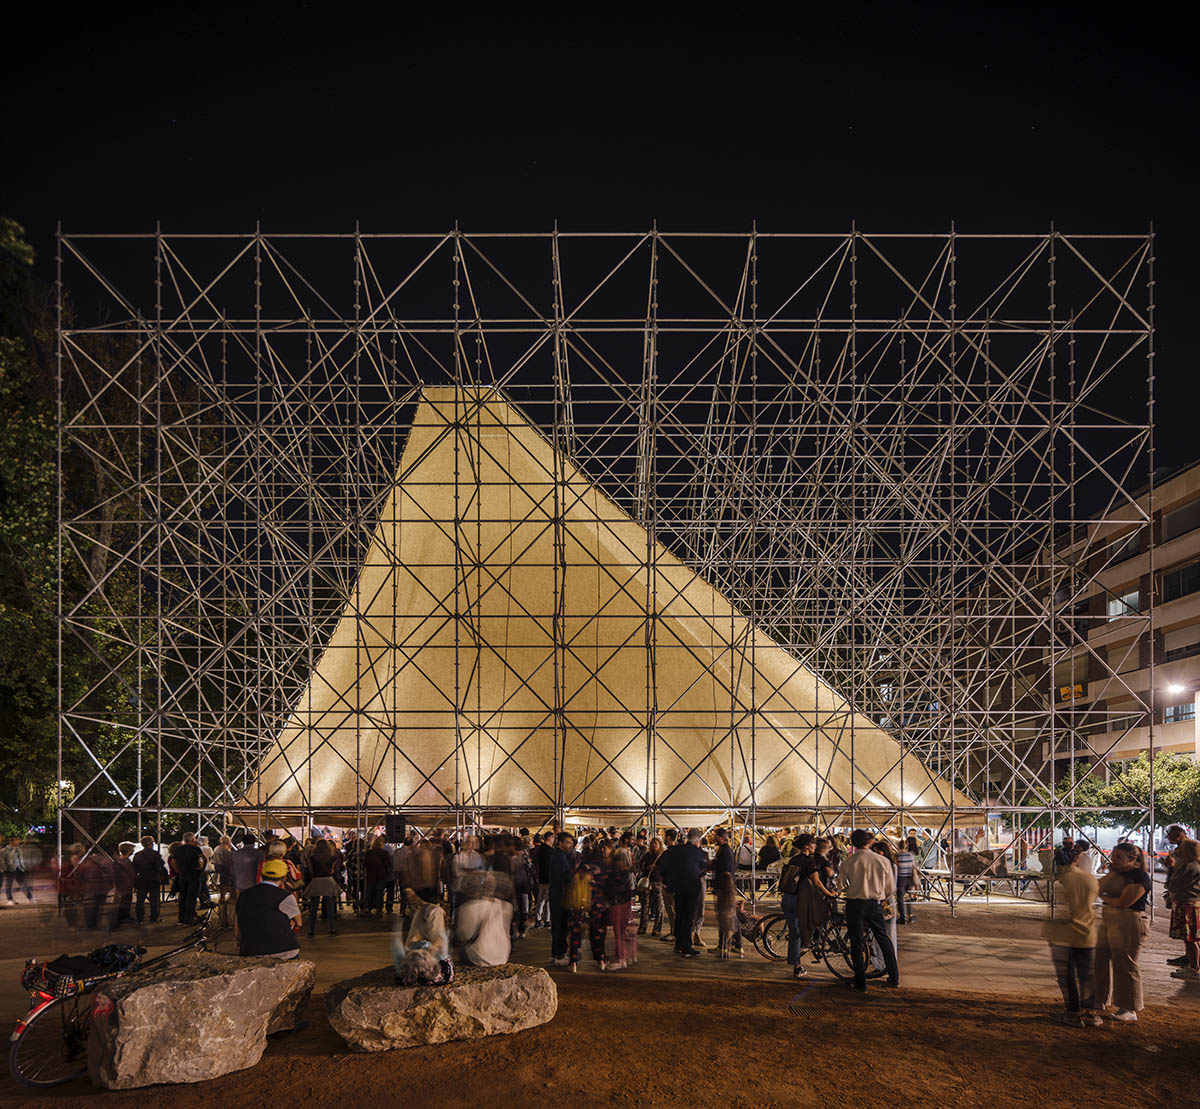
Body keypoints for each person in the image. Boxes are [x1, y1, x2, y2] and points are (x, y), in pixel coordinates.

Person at [1043, 843, 1100, 1025]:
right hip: (1087, 932)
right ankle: (1091, 1012)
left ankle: (1073, 1012)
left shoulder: (1061, 881)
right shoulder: (1090, 879)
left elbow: (1059, 909)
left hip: (1065, 934)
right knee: (1087, 976)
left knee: (1067, 977)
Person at [1093, 842, 1151, 1022]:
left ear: (1132, 858)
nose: (1113, 860)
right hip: (1110, 918)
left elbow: (1123, 902)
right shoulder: (1117, 873)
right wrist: (1111, 874)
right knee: (1100, 959)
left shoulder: (1138, 876)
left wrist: (1104, 897)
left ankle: (1129, 1008)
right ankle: (1099, 999)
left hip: (1129, 920)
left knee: (1125, 963)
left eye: (1119, 857)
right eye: (1113, 856)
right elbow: (1097, 886)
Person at [837, 829, 900, 993]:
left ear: (853, 843)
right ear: (870, 842)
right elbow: (890, 888)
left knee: (856, 943)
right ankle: (894, 977)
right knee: (883, 939)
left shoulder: (849, 861)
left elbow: (840, 885)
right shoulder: (882, 861)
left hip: (855, 904)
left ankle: (860, 982)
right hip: (874, 904)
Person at [237, 858, 302, 957]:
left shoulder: (244, 894)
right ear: (284, 877)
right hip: (281, 949)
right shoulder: (284, 896)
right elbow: (299, 922)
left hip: (251, 949)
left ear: (262, 875)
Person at [659, 829, 707, 958]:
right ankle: (686, 947)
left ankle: (678, 944)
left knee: (679, 916)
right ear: (697, 839)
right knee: (688, 917)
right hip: (691, 888)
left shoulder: (675, 851)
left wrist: (668, 879)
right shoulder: (698, 853)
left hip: (677, 888)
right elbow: (703, 870)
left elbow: (662, 865)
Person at [1165, 837, 1200, 980]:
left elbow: (1173, 884)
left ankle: (1194, 967)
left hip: (1187, 904)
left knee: (1190, 938)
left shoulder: (1189, 866)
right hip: (1190, 903)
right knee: (1190, 938)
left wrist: (1171, 868)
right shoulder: (1193, 864)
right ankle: (1193, 965)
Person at [605, 847, 637, 969]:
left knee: (619, 931)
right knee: (622, 931)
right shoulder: (628, 873)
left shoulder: (622, 873)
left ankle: (621, 957)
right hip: (623, 903)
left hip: (619, 904)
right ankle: (624, 955)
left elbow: (627, 890)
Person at [304, 837, 341, 936]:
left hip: (316, 881)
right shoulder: (332, 856)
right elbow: (332, 870)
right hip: (328, 881)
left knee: (314, 907)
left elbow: (311, 870)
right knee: (329, 906)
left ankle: (311, 930)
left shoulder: (313, 857)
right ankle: (332, 928)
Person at [548, 831, 576, 965]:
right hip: (559, 895)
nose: (570, 845)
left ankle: (557, 953)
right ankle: (558, 955)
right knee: (560, 925)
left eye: (571, 843)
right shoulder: (558, 857)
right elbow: (563, 876)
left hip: (558, 894)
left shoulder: (561, 855)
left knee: (560, 925)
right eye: (568, 842)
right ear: (560, 842)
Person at [173, 832, 206, 926]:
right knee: (191, 898)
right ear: (192, 840)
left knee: (182, 897)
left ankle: (181, 919)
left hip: (182, 875)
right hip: (193, 875)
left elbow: (173, 861)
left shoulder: (178, 849)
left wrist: (178, 871)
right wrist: (201, 868)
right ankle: (189, 919)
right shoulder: (196, 849)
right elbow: (203, 859)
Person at [131, 836, 167, 923]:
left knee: (140, 900)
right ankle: (153, 918)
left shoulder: (137, 854)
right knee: (154, 899)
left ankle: (140, 918)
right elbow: (161, 864)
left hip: (142, 878)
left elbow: (134, 867)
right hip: (154, 878)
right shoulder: (155, 854)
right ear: (151, 843)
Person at [637, 836, 665, 936]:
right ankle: (642, 926)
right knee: (645, 905)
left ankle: (657, 928)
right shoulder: (647, 855)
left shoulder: (662, 856)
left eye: (656, 843)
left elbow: (665, 869)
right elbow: (641, 866)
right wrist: (648, 867)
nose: (654, 845)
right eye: (652, 843)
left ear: (660, 845)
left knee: (659, 906)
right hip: (647, 882)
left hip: (658, 882)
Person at [363, 836, 391, 917]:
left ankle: (369, 908)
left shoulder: (369, 853)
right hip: (381, 875)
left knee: (370, 893)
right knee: (379, 893)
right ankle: (379, 909)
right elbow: (388, 864)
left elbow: (365, 864)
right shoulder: (384, 853)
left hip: (371, 875)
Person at [211, 835, 235, 929]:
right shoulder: (226, 851)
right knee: (232, 898)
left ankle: (222, 922)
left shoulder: (217, 848)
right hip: (226, 873)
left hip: (219, 872)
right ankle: (230, 921)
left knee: (222, 897)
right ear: (228, 842)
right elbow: (229, 863)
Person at [2, 837, 35, 905]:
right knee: (8, 885)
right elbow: (2, 861)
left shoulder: (19, 849)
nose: (18, 842)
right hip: (9, 870)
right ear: (11, 842)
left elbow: (21, 859)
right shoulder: (4, 850)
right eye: (17, 841)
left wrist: (23, 866)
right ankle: (10, 900)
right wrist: (5, 869)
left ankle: (30, 898)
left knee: (23, 884)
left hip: (19, 868)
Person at [111, 842, 136, 928]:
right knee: (125, 900)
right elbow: (129, 873)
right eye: (132, 849)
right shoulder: (124, 861)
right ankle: (123, 917)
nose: (133, 851)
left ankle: (125, 916)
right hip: (125, 884)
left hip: (124, 883)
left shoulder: (120, 861)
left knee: (126, 900)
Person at [895, 836, 919, 924]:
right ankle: (911, 916)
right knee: (909, 898)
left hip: (901, 879)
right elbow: (914, 868)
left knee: (900, 899)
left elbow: (896, 868)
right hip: (910, 879)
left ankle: (902, 917)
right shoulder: (910, 855)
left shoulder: (897, 856)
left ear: (898, 847)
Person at [532, 831, 553, 928]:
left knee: (540, 900)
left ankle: (538, 919)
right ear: (549, 838)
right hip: (548, 878)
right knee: (547, 900)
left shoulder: (539, 850)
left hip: (540, 877)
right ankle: (547, 920)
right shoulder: (550, 851)